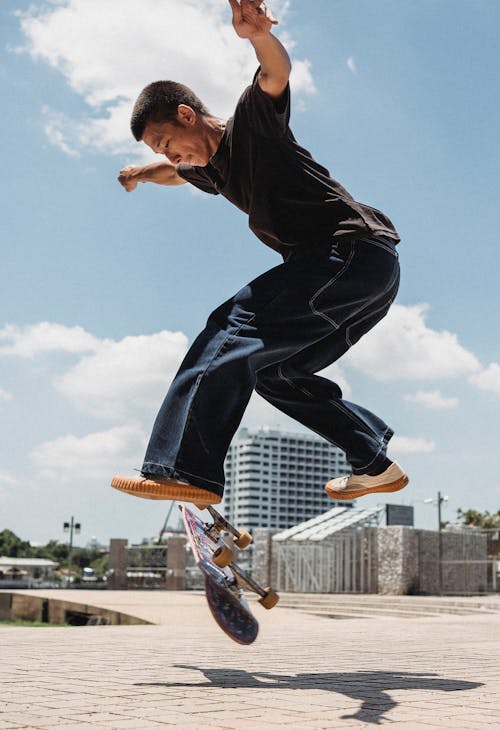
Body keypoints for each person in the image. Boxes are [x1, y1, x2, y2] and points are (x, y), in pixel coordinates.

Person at [111, 0, 409, 508]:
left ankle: (185, 469)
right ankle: (374, 463)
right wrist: (143, 171)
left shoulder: (251, 124)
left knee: (231, 328)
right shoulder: (209, 168)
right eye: (159, 150)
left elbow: (275, 74)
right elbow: (176, 173)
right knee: (275, 372)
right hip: (361, 276)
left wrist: (258, 37)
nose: (170, 155)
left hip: (347, 254)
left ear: (188, 114)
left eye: (167, 141)